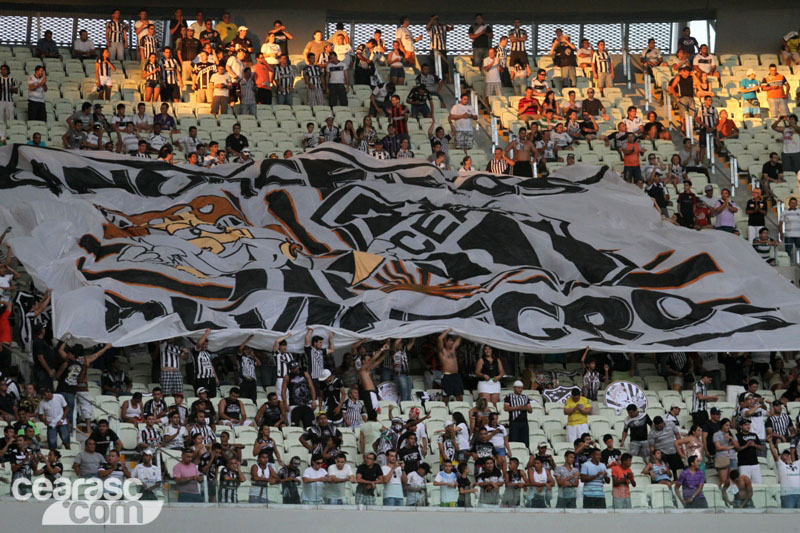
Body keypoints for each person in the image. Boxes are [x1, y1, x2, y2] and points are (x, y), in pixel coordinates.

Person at [769, 443, 800, 508]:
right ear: (781, 457)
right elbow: (774, 453)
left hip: (799, 494)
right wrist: (770, 442)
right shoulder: (781, 465)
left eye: (787, 454)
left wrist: (793, 451)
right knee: (788, 514)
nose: (787, 456)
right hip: (787, 495)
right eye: (784, 454)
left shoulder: (796, 464)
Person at [437, 329, 463, 402]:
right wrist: (448, 330)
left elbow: (460, 337)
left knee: (459, 396)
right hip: (447, 376)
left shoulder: (453, 350)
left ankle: (460, 408)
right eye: (450, 341)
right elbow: (439, 338)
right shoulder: (442, 351)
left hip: (456, 376)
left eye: (453, 341)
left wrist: (460, 329)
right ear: (446, 341)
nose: (452, 342)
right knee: (446, 396)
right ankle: (446, 408)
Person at [734, 418, 763, 483]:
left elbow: (761, 448)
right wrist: (746, 445)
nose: (748, 426)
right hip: (743, 464)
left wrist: (754, 445)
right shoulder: (737, 436)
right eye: (745, 425)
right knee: (744, 484)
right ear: (741, 426)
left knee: (758, 483)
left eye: (749, 425)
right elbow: (736, 449)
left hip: (755, 463)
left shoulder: (754, 435)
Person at [779, 197, 800, 262]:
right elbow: (780, 224)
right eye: (792, 203)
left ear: (796, 204)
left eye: (794, 203)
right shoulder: (784, 212)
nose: (793, 204)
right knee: (788, 251)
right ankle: (789, 263)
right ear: (788, 203)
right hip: (788, 235)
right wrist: (781, 233)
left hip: (799, 235)